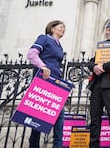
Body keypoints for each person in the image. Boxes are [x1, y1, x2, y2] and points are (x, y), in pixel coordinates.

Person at [26, 20, 66, 148]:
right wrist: (43, 67)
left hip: (55, 81)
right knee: (38, 117)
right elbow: (31, 54)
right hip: (43, 80)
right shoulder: (44, 38)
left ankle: (57, 145)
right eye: (60, 27)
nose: (63, 30)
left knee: (59, 114)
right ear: (52, 28)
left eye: (64, 28)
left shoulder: (59, 45)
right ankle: (34, 145)